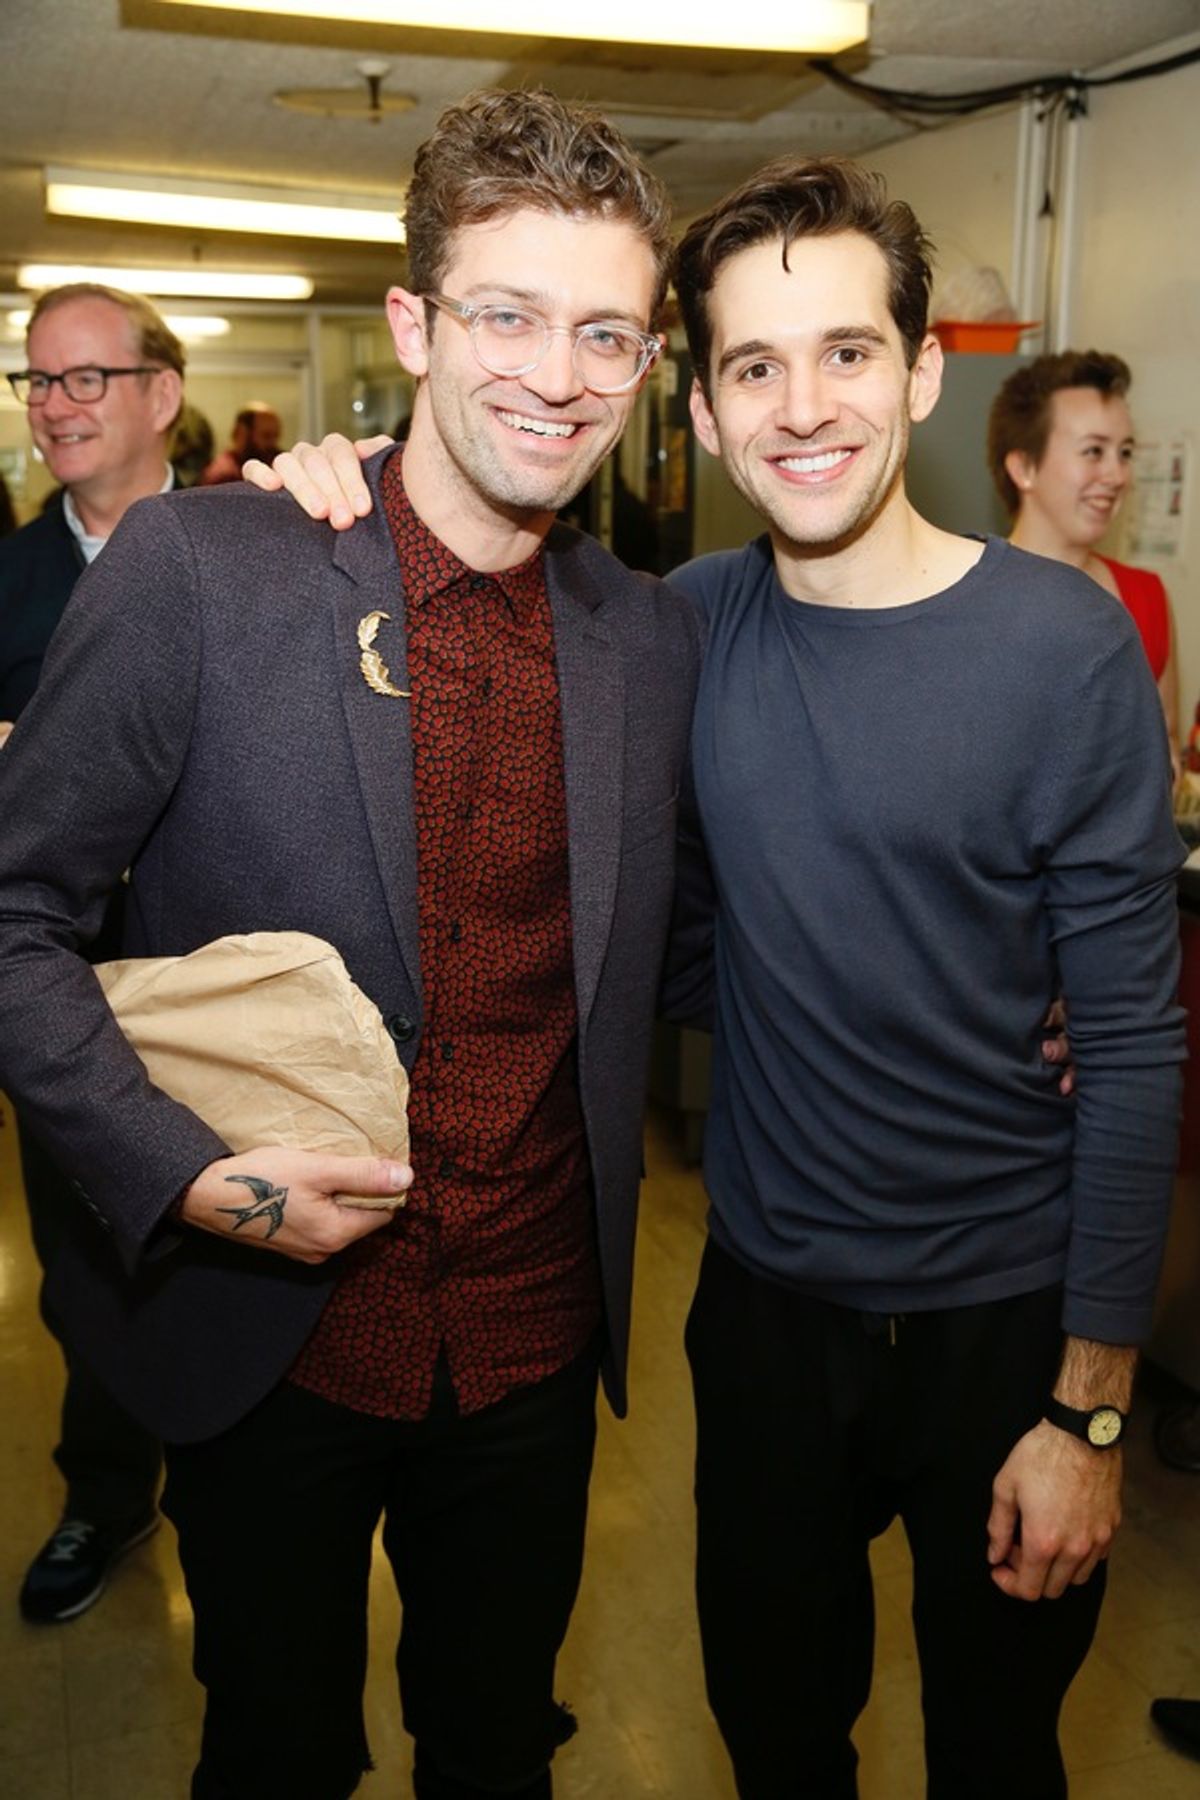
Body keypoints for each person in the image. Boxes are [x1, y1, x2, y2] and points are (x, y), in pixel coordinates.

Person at [256, 151, 1183, 1798]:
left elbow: (1130, 1040)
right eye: (754, 364)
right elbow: (660, 925)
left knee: (998, 1748)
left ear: (917, 370)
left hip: (1008, 1326)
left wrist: (1092, 1413)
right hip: (762, 1317)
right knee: (775, 1736)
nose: (802, 405)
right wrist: (321, 484)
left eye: (844, 353)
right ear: (700, 411)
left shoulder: (1065, 648)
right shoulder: (674, 632)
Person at [0, 88, 699, 1800]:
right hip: (272, 1339)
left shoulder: (647, 640)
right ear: (414, 323)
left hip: (536, 1334)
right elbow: (12, 923)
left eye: (605, 329)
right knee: (277, 1745)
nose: (557, 371)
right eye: (507, 315)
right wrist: (192, 1180)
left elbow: (673, 953)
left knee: (495, 1744)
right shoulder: (204, 571)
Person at [0, 282, 187, 1622]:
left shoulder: (267, 549)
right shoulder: (5, 581)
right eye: (37, 383)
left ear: (160, 396)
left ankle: (252, 1482)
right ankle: (108, 1492)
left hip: (230, 979)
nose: (55, 406)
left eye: (84, 380)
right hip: (63, 990)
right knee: (91, 1265)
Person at [987, 349, 1180, 765]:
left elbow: (1165, 744)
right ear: (1024, 468)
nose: (1117, 476)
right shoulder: (966, 597)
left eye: (1125, 453)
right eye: (1094, 451)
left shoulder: (1146, 598)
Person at [199, 400, 282, 483]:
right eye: (266, 436)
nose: (273, 443)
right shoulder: (224, 474)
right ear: (242, 434)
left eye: (275, 436)